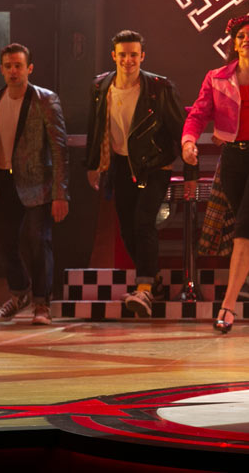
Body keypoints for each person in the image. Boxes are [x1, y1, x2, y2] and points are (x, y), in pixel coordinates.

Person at [182, 15, 249, 332]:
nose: (246, 40)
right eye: (241, 36)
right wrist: (188, 141)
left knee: (244, 225)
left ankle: (228, 306)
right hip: (233, 160)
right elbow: (198, 114)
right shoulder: (216, 78)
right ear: (234, 43)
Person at [85, 30, 193, 319]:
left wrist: (191, 174)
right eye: (123, 55)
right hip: (120, 164)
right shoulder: (101, 86)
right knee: (127, 228)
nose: (128, 60)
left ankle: (144, 288)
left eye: (134, 54)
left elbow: (180, 129)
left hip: (155, 164)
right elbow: (96, 128)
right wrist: (93, 164)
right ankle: (153, 280)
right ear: (114, 57)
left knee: (144, 221)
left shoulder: (159, 87)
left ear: (142, 56)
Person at [0, 43, 69, 326]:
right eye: (8, 66)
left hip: (37, 180)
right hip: (2, 179)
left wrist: (60, 193)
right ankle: (19, 293)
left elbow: (60, 147)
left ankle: (42, 303)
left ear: (29, 68)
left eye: (18, 66)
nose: (13, 71)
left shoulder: (45, 100)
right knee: (5, 243)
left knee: (38, 241)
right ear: (1, 69)